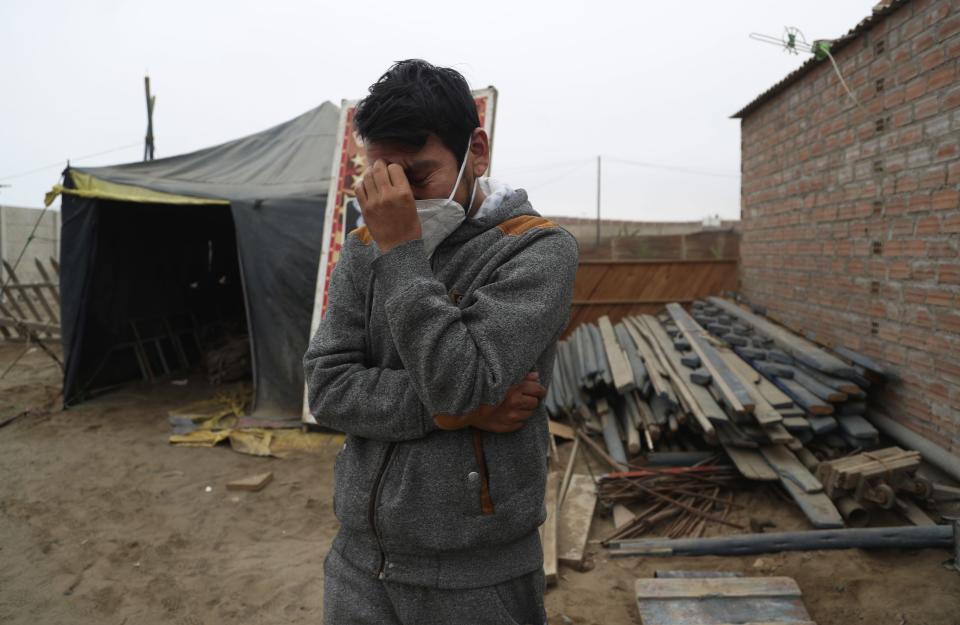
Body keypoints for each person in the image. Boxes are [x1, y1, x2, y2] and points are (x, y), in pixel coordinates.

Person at [303, 59, 578, 625]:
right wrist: (455, 416)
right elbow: (327, 388)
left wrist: (402, 252)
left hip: (478, 577)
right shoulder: (363, 247)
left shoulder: (537, 251)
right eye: (382, 177)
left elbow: (461, 382)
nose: (397, 201)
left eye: (418, 176)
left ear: (476, 151)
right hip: (360, 564)